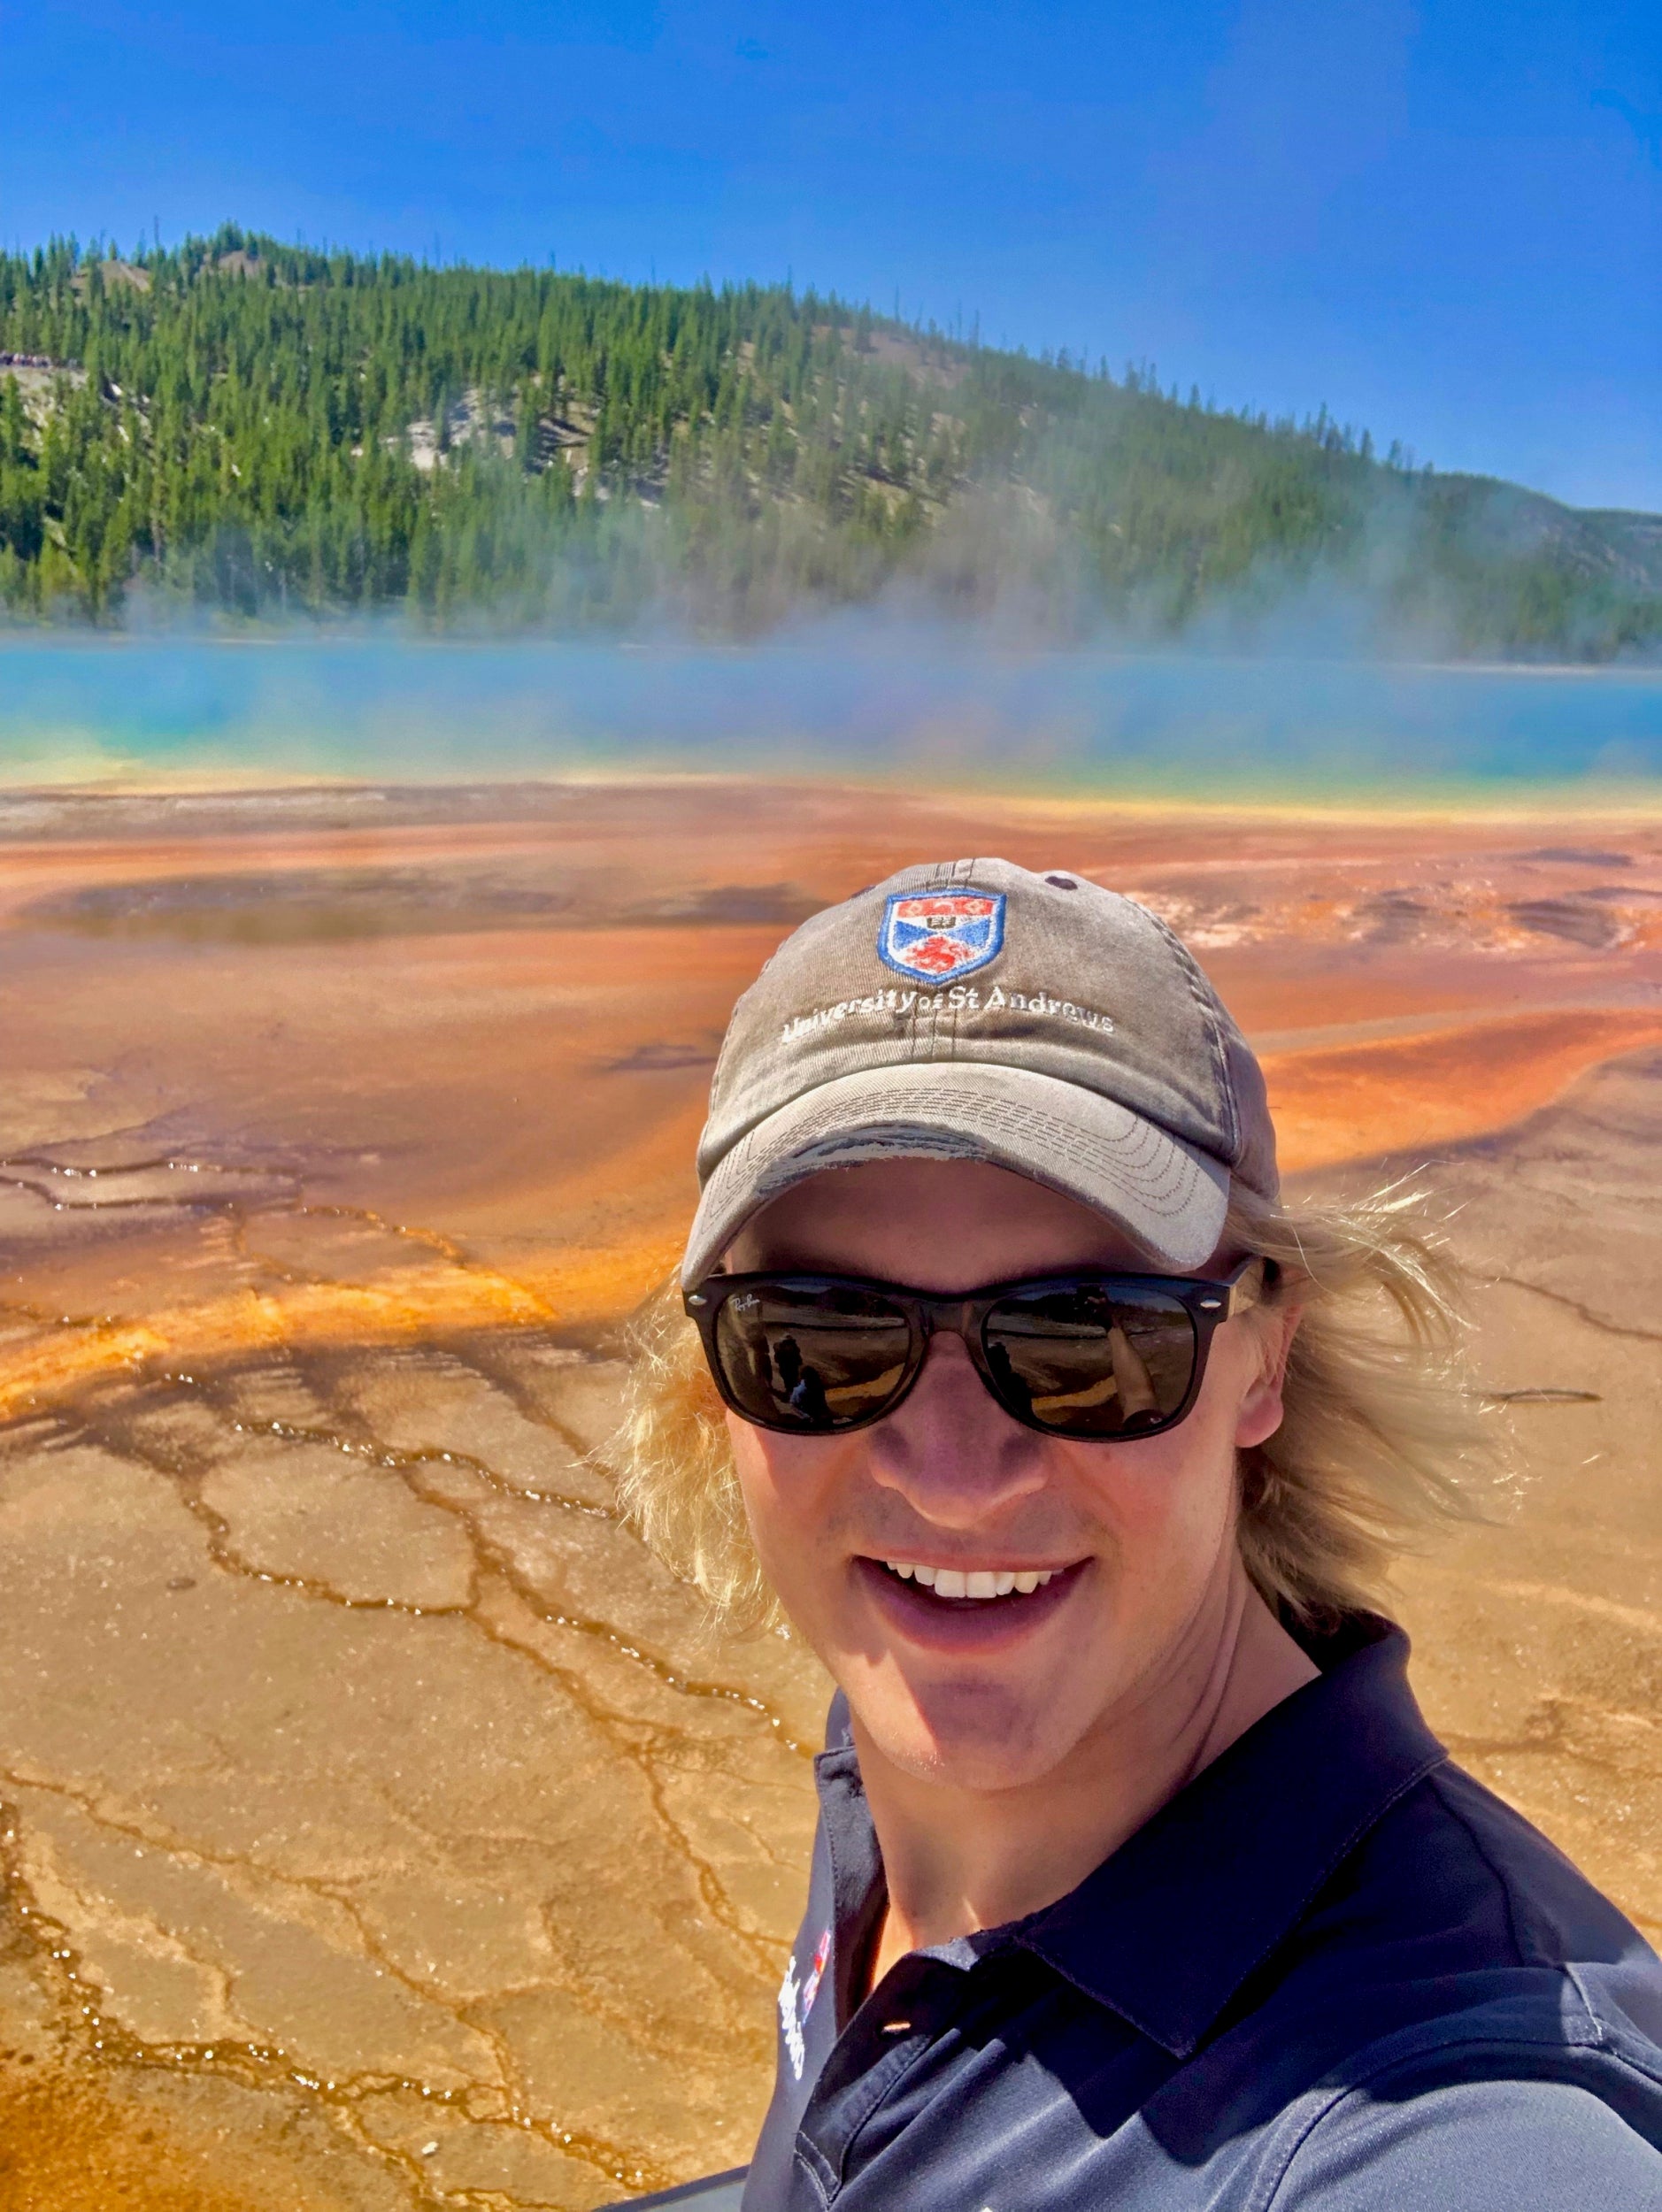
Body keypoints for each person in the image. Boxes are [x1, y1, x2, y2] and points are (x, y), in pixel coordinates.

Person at [616, 859, 1662, 2209]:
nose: (951, 1478)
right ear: (715, 1380)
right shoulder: (916, 1749)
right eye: (820, 1341)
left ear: (1263, 1363)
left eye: (1084, 1343)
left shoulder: (1438, 2104)